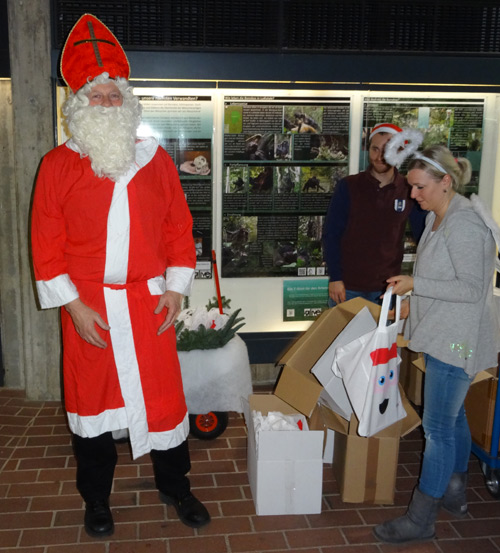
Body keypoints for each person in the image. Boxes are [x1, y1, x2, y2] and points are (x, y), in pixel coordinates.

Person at [30, 14, 210, 538]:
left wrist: (176, 288)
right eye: (98, 96)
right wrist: (72, 305)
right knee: (91, 407)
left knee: (164, 400)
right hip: (89, 307)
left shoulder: (156, 164)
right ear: (79, 106)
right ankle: (97, 501)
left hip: (147, 303)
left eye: (116, 95)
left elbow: (179, 227)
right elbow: (46, 243)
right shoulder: (57, 166)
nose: (108, 103)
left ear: (129, 104)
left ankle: (176, 487)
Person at [373, 145, 500, 544]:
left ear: (446, 182)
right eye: (411, 187)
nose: (413, 195)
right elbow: (443, 280)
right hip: (448, 334)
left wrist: (416, 285)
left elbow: (472, 288)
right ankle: (455, 493)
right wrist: (413, 302)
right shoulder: (437, 217)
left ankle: (422, 517)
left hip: (457, 341)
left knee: (438, 427)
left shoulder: (463, 225)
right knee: (454, 414)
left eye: (419, 186)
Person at [322, 123, 425, 306]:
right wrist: (335, 278)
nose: (379, 157)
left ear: (400, 150)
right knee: (345, 335)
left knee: (384, 336)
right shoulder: (349, 186)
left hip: (388, 288)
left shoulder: (409, 189)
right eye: (374, 149)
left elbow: (424, 237)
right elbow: (331, 234)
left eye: (386, 150)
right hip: (347, 286)